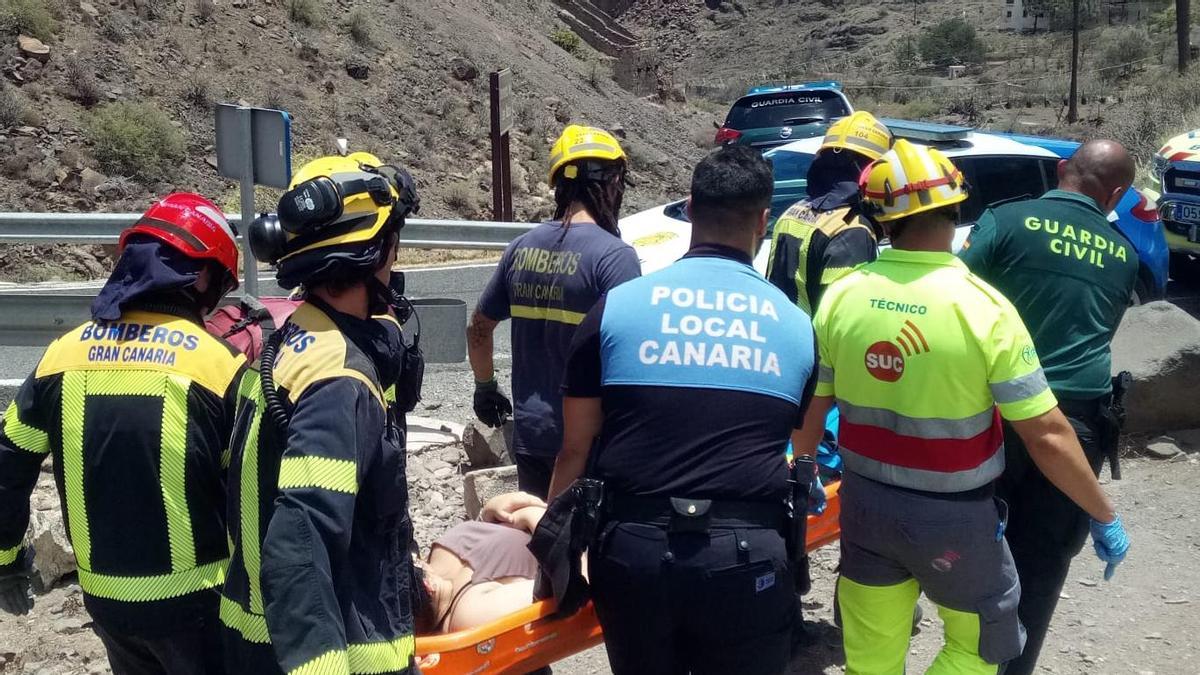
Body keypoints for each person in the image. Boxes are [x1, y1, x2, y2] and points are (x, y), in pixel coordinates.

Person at [792, 139, 1130, 675]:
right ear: (957, 204)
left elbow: (817, 397)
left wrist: (804, 464)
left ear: (880, 213)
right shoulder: (984, 307)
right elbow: (1046, 434)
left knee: (870, 659)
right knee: (981, 647)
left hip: (865, 508)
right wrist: (1101, 513)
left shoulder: (844, 296)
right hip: (954, 520)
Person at [550, 145, 818, 675]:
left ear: (690, 208)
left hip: (633, 552)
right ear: (764, 219)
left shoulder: (618, 308)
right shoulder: (795, 325)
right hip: (748, 555)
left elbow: (575, 448)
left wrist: (554, 551)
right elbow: (798, 452)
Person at [0, 194, 246, 675]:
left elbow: (7, 462)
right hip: (201, 601)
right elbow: (254, 486)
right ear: (199, 277)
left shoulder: (61, 356)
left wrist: (6, 559)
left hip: (106, 602)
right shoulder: (217, 366)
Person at [219, 152, 423, 675]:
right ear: (379, 249)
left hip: (256, 636)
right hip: (334, 653)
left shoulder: (292, 339)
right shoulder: (339, 376)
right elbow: (298, 543)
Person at [959, 140, 1139, 675]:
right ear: (1118, 194)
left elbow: (957, 296)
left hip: (986, 415)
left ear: (1062, 169)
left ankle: (961, 660)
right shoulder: (1123, 253)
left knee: (967, 558)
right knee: (1039, 570)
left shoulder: (1005, 222)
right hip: (1073, 427)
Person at [468, 124, 641, 499]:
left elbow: (479, 328)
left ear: (559, 185)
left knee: (538, 542)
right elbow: (633, 356)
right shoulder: (615, 258)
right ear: (613, 182)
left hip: (533, 437)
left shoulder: (520, 248)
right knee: (586, 553)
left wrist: (485, 387)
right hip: (592, 443)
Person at [766, 111, 893, 316]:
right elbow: (845, 315)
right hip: (819, 344)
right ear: (871, 169)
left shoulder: (793, 211)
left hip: (788, 336)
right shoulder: (851, 228)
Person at [414, 492, 548, 634]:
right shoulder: (470, 613)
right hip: (561, 530)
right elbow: (562, 583)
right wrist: (533, 517)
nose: (412, 556)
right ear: (428, 586)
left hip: (549, 511)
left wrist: (488, 515)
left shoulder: (438, 559)